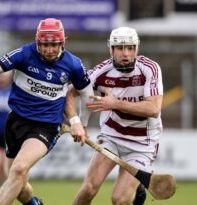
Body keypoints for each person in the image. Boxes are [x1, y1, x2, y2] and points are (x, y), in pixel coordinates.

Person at [0, 18, 93, 205]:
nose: (49, 50)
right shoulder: (25, 53)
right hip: (16, 122)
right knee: (16, 181)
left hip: (46, 126)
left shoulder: (73, 64)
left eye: (54, 45)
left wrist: (81, 124)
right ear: (37, 41)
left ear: (62, 43)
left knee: (18, 170)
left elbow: (87, 93)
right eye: (44, 45)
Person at [66, 27, 163, 205]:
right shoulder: (101, 72)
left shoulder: (150, 69)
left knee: (119, 199)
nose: (126, 53)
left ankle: (135, 190)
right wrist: (78, 123)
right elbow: (70, 93)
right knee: (88, 189)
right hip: (112, 137)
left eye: (130, 48)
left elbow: (154, 108)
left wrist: (115, 103)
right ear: (111, 49)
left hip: (142, 144)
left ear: (136, 49)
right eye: (120, 48)